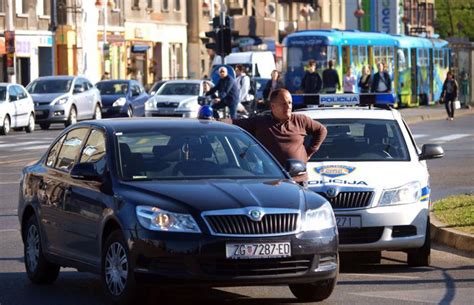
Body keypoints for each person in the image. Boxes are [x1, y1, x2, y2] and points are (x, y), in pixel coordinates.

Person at [225, 88, 327, 184]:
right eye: (283, 104)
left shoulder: (301, 120)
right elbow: (234, 122)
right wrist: (214, 121)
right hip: (273, 182)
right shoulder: (261, 122)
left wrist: (310, 152)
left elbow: (322, 130)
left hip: (298, 181)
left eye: (290, 103)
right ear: (273, 106)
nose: (288, 107)